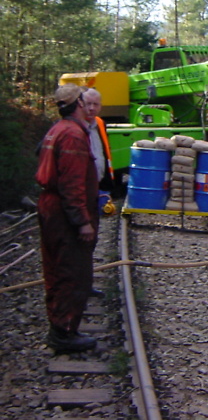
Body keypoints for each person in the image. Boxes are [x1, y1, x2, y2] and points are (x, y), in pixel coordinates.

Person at [35, 84, 99, 353]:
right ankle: (64, 333)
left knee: (56, 268)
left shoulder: (57, 129)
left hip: (51, 207)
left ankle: (60, 327)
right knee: (72, 272)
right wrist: (82, 221)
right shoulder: (73, 135)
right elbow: (72, 184)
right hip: (63, 212)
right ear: (80, 104)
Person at [82, 88, 115, 200]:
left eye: (95, 104)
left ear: (100, 106)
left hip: (99, 184)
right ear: (80, 104)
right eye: (88, 104)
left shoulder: (100, 124)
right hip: (81, 186)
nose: (91, 108)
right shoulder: (74, 125)